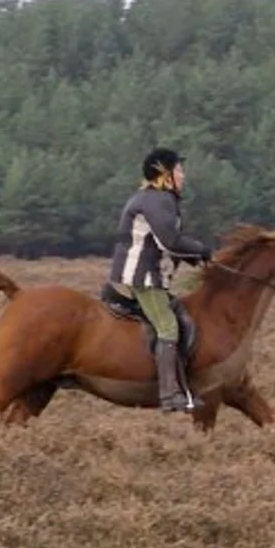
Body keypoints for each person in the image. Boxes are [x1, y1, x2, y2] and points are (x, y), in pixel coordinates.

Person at [108, 147, 212, 411]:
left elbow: (167, 244)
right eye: (179, 170)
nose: (183, 175)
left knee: (178, 317)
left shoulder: (154, 199)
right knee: (168, 326)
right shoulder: (157, 200)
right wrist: (201, 250)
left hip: (147, 276)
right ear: (164, 175)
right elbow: (171, 241)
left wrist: (196, 258)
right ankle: (169, 395)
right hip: (143, 279)